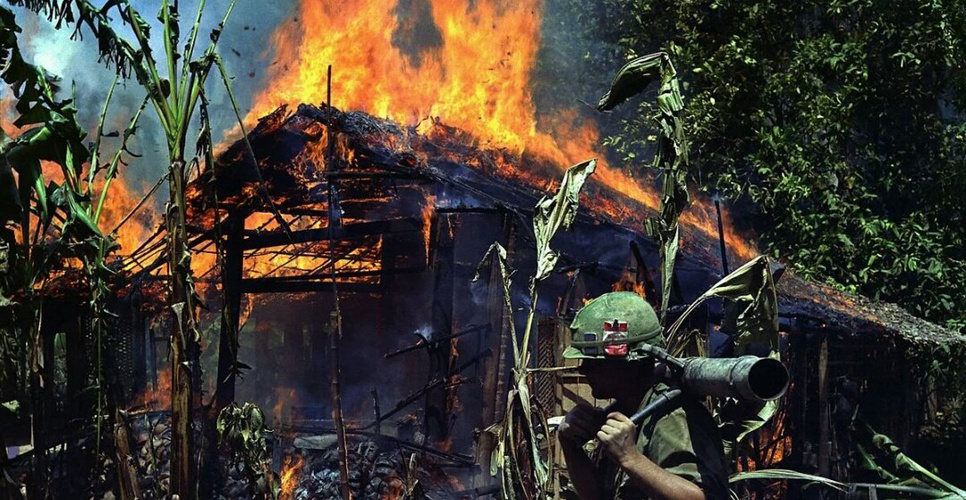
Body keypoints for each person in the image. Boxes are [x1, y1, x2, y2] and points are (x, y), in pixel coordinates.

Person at [557, 292, 729, 500]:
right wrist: (569, 444)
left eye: (595, 362)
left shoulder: (670, 417)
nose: (584, 370)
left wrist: (631, 458)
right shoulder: (629, 412)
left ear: (630, 364)